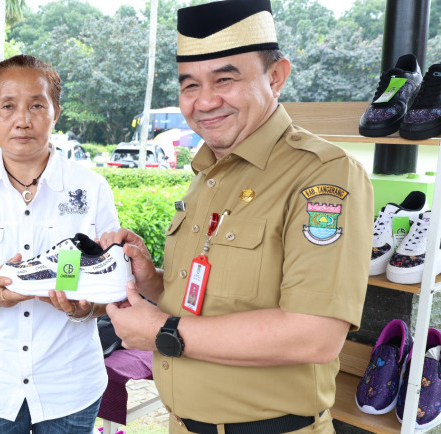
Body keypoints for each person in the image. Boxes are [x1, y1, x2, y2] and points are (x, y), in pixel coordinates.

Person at [99, 1, 374, 433]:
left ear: (276, 76)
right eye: (189, 85)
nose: (205, 101)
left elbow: (315, 334)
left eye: (225, 79)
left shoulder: (323, 173)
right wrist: (151, 280)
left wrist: (162, 331)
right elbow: (209, 294)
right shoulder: (207, 170)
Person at [0, 54, 118, 433]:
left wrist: (82, 309)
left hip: (70, 386)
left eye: (37, 105)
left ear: (56, 112)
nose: (23, 120)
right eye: (8, 106)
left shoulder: (92, 190)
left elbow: (111, 291)